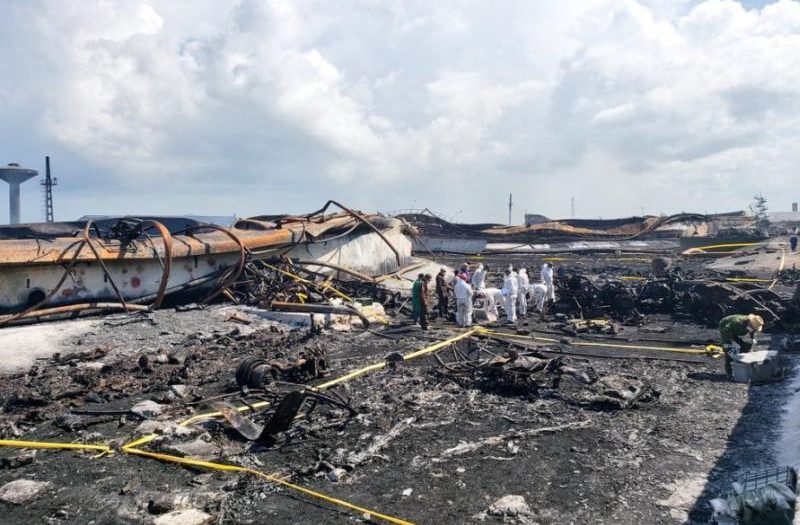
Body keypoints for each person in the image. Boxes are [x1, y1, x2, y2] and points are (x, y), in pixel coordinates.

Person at [719, 313, 764, 378]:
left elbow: (753, 331)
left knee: (745, 346)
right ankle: (729, 373)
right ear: (749, 322)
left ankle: (742, 367)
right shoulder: (737, 322)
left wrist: (753, 339)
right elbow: (725, 331)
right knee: (730, 350)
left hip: (733, 331)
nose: (752, 328)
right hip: (725, 328)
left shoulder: (751, 326)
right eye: (752, 327)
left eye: (754, 328)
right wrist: (732, 342)